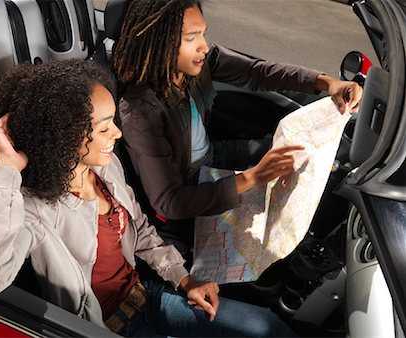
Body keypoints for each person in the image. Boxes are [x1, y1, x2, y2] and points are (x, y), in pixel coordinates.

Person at [0, 59, 298, 337]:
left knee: (267, 328)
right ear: (63, 135)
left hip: (147, 296)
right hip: (104, 326)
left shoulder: (106, 168)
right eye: (104, 128)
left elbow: (141, 228)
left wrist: (183, 278)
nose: (117, 133)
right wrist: (6, 169)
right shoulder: (35, 210)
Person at [113, 0, 363, 260]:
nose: (204, 46)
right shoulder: (140, 112)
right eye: (191, 38)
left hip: (212, 157)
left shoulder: (197, 65)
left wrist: (327, 82)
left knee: (300, 156)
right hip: (189, 189)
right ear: (159, 43)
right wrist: (251, 178)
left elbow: (257, 72)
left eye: (203, 33)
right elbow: (170, 201)